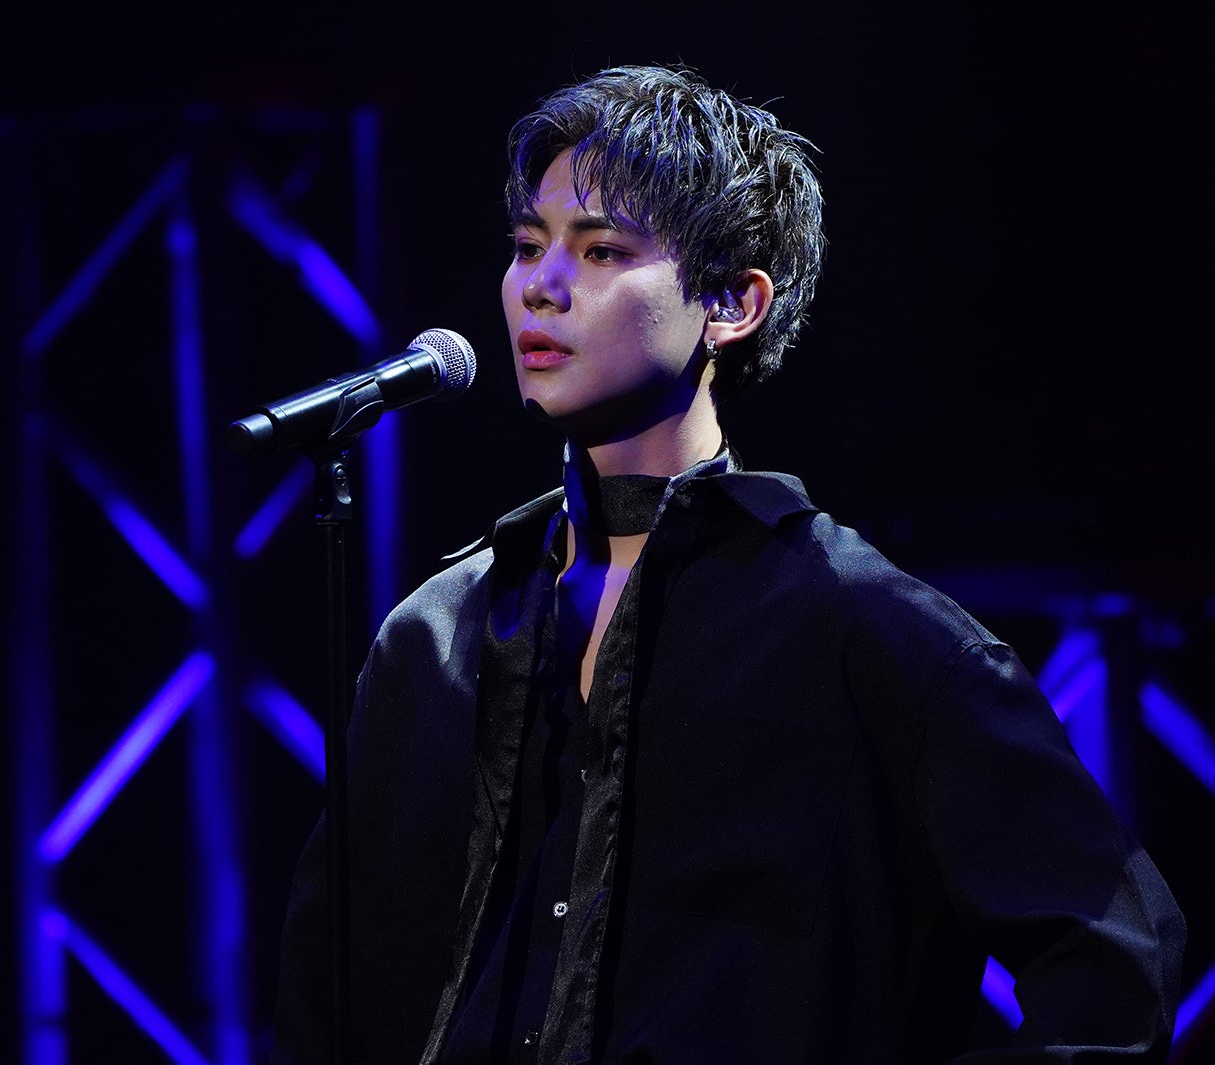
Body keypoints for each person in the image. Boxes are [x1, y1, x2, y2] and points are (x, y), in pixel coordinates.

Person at [268, 62, 1186, 1064]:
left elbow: (1114, 964)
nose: (540, 284)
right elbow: (322, 1007)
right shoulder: (435, 637)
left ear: (731, 303)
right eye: (528, 245)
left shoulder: (863, 629)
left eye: (601, 249)